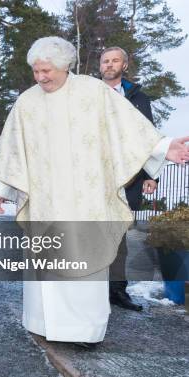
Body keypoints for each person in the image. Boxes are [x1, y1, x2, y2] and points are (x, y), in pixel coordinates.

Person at [0, 36, 189, 348]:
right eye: (36, 71)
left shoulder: (93, 93)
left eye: (47, 71)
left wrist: (163, 147)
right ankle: (43, 322)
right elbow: (12, 149)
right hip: (45, 200)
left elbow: (128, 127)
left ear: (65, 66)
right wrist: (0, 188)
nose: (41, 77)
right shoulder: (27, 101)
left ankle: (82, 331)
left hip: (85, 199)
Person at [99, 46, 156, 312]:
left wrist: (150, 175)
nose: (109, 65)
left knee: (118, 236)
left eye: (115, 61)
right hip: (94, 176)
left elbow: (148, 138)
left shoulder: (138, 98)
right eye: (105, 61)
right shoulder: (87, 95)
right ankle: (90, 289)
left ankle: (116, 290)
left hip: (127, 178)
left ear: (125, 65)